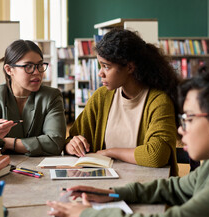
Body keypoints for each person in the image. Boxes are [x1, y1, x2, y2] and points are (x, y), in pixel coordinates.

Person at [47, 61, 209, 217]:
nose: (181, 130)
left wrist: (84, 215)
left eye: (189, 119)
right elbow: (174, 188)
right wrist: (111, 193)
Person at [66, 28, 179, 175]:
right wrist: (71, 145)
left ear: (130, 67)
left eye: (106, 66)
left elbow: (156, 155)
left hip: (146, 186)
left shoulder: (158, 101)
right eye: (100, 65)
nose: (100, 73)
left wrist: (111, 152)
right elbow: (71, 138)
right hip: (101, 181)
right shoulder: (101, 96)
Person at [0, 39, 66, 156]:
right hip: (1, 168)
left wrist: (5, 143)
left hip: (40, 168)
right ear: (9, 69)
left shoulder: (51, 96)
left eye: (40, 65)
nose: (37, 72)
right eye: (28, 66)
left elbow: (55, 143)